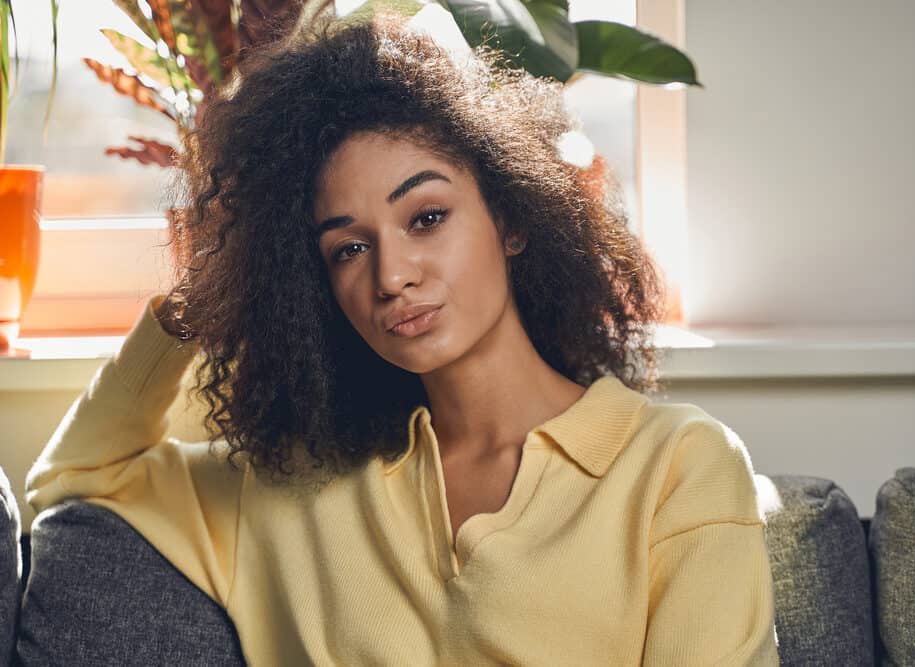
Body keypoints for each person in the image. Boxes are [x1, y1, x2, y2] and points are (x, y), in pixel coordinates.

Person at [25, 11, 780, 666]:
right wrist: (198, 309)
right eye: (347, 248)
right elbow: (75, 476)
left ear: (512, 218)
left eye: (426, 218)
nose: (391, 276)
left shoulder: (676, 466)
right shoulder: (293, 484)